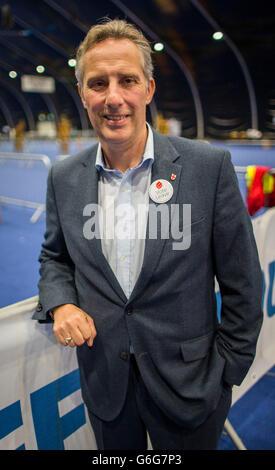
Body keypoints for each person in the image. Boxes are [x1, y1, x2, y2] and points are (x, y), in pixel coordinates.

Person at [34, 19, 263, 450]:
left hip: (193, 388)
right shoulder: (64, 177)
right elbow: (55, 258)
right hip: (108, 385)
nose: (114, 98)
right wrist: (61, 301)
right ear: (83, 93)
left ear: (149, 89)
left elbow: (244, 282)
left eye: (128, 80)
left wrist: (227, 372)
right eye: (98, 83)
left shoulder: (207, 168)